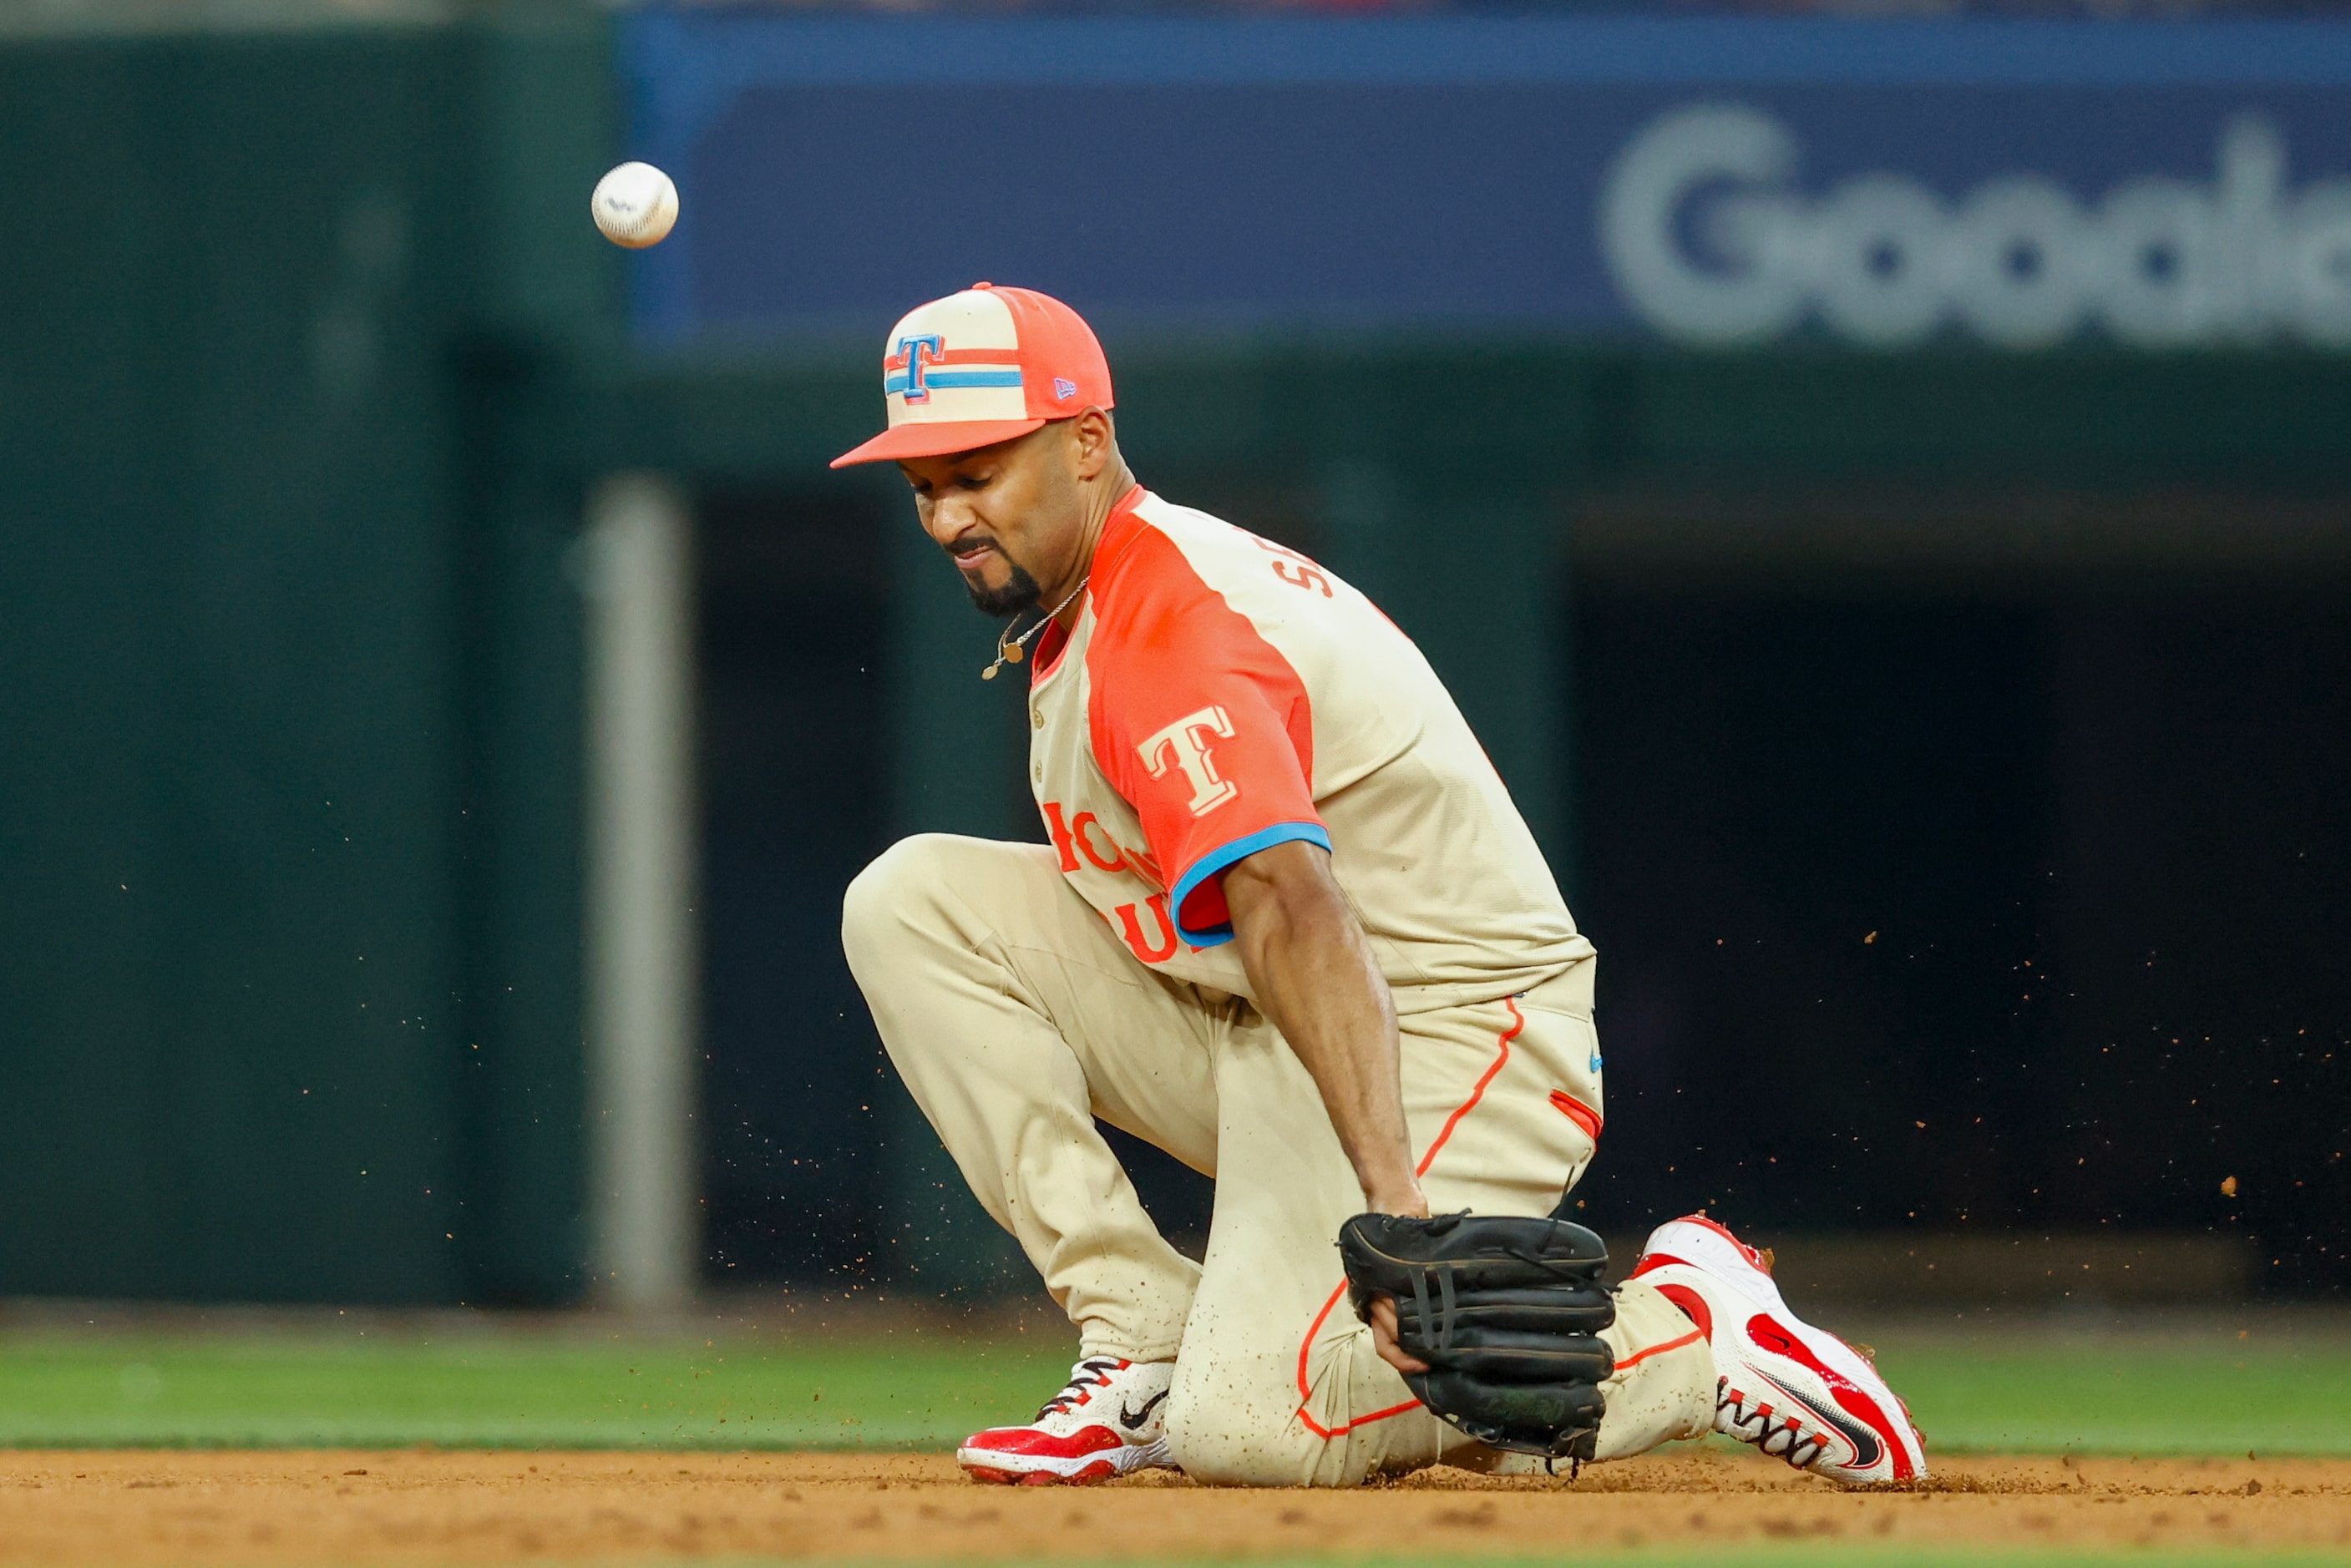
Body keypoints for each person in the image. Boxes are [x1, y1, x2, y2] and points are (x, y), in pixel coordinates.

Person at [835, 283, 1926, 1489]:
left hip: (1461, 1031)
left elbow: (1291, 900)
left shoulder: (1170, 620)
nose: (947, 514)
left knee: (1250, 1431)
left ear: (1086, 442)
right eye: (925, 485)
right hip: (1278, 1019)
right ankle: (1142, 1333)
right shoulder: (1108, 595)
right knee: (912, 903)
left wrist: (1400, 1220)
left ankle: (1688, 1333)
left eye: (977, 470)